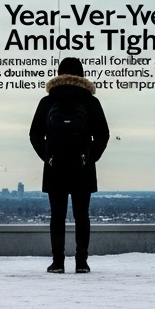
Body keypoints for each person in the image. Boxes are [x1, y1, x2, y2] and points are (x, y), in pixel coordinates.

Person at [29, 57, 110, 274]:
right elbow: (103, 134)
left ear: (59, 74)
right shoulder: (90, 102)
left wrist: (48, 157)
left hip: (55, 168)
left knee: (57, 216)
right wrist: (90, 157)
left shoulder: (47, 101)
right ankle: (81, 262)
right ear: (82, 75)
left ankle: (58, 263)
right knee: (82, 215)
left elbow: (35, 134)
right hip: (83, 168)